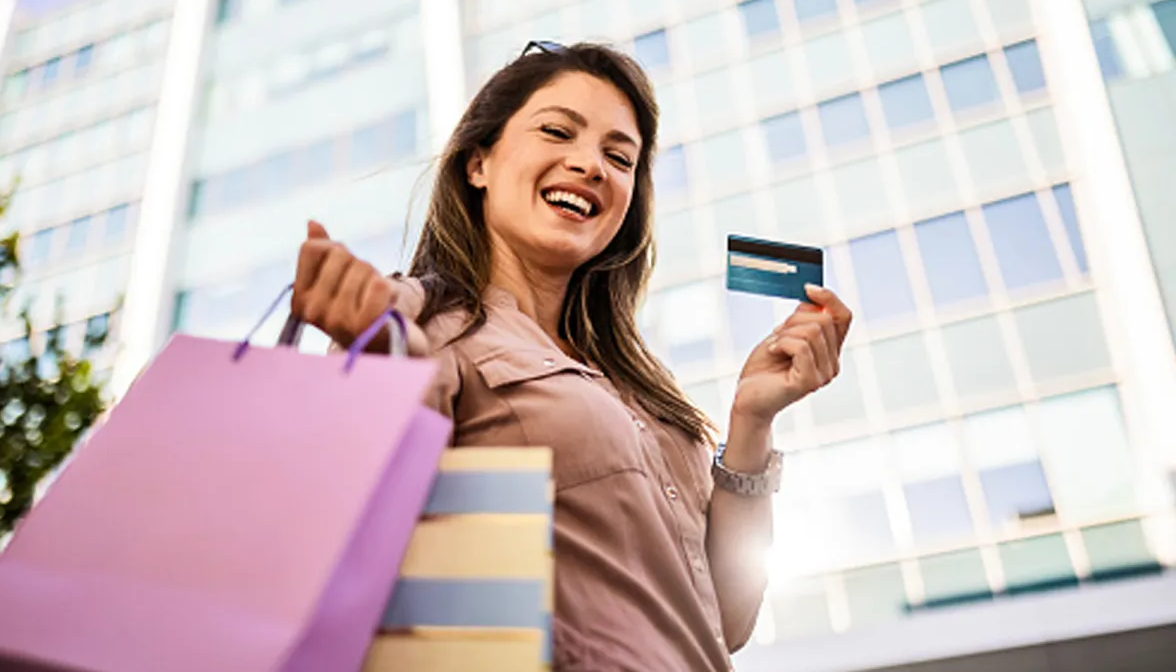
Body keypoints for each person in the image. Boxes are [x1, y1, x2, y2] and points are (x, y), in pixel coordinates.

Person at [291, 41, 851, 671]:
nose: (591, 165)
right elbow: (354, 529)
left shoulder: (640, 386)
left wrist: (751, 421)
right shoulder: (420, 321)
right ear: (478, 163)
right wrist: (375, 354)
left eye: (619, 157)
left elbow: (727, 620)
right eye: (557, 132)